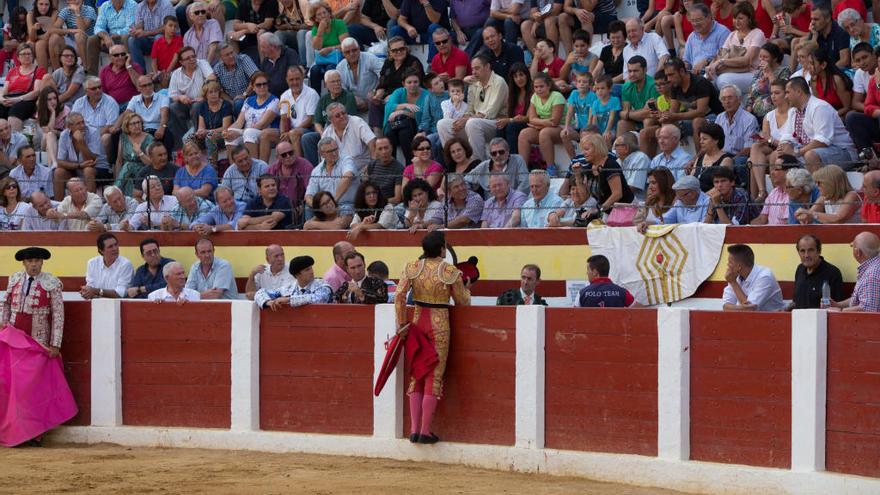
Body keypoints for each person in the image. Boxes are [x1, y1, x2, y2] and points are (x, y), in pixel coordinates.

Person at [395, 230, 470, 444]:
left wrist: (402, 324)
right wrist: (466, 289)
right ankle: (425, 431)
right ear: (441, 249)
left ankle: (414, 430)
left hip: (418, 323)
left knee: (418, 373)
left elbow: (399, 296)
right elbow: (463, 301)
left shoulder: (412, 268)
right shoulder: (449, 271)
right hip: (439, 324)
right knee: (433, 375)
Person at [0, 246, 71, 447]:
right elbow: (5, 305)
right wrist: (3, 327)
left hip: (38, 342)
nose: (34, 264)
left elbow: (58, 315)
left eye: (37, 261)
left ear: (42, 263)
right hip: (14, 341)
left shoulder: (52, 283)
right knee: (13, 388)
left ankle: (34, 433)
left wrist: (55, 344)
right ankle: (14, 429)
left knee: (32, 390)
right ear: (24, 263)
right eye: (30, 261)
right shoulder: (14, 280)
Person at [437, 53, 509, 162]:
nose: (474, 72)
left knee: (472, 123)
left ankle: (477, 164)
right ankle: (454, 163)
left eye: (477, 68)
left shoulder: (499, 82)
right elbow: (469, 109)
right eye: (472, 69)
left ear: (488, 67)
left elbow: (490, 113)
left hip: (496, 123)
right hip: (475, 122)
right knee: (443, 124)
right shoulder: (474, 83)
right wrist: (462, 119)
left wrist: (466, 119)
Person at [777, 78, 857, 172]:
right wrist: (784, 146)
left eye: (787, 92)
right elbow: (787, 136)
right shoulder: (793, 111)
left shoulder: (819, 107)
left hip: (843, 152)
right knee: (777, 157)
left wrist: (796, 152)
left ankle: (815, 187)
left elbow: (822, 141)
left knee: (810, 155)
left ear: (799, 92)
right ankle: (784, 187)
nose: (785, 97)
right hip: (811, 150)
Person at [747, 80, 790, 200]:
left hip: (788, 150)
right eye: (771, 93)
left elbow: (790, 143)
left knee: (756, 159)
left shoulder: (794, 113)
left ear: (786, 94)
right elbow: (767, 141)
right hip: (773, 150)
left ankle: (769, 194)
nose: (773, 96)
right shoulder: (769, 116)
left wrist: (770, 140)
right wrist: (763, 140)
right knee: (755, 148)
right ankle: (761, 191)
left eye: (777, 93)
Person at [516, 72, 565, 174]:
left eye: (541, 86)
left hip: (563, 128)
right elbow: (531, 119)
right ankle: (523, 171)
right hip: (544, 127)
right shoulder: (534, 97)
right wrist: (543, 122)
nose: (538, 89)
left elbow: (555, 122)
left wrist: (537, 123)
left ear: (549, 86)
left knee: (545, 133)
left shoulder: (557, 96)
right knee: (524, 134)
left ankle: (551, 168)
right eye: (536, 87)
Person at [168, 46, 215, 148]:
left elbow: (212, 79)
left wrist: (203, 96)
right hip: (187, 104)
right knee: (173, 107)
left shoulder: (202, 63)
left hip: (205, 102)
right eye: (188, 58)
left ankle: (199, 141)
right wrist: (181, 97)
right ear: (181, 62)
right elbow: (172, 95)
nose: (192, 59)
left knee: (197, 106)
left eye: (193, 56)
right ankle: (182, 144)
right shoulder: (176, 73)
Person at [384, 68, 429, 164]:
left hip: (417, 127)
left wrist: (401, 112)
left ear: (419, 82)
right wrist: (405, 105)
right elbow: (389, 106)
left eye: (415, 82)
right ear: (403, 84)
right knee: (390, 133)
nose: (413, 85)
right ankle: (391, 164)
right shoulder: (399, 92)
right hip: (397, 127)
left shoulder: (426, 95)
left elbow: (422, 116)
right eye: (409, 82)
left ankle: (410, 163)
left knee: (404, 133)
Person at [721, 243, 785, 311]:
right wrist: (743, 308)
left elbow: (750, 311)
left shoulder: (765, 277)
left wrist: (733, 283)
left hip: (774, 319)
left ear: (739, 267)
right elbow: (725, 306)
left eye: (730, 262)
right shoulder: (734, 276)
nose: (728, 265)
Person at [826, 232, 880, 312]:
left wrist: (840, 311)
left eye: (853, 247)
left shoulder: (871, 275)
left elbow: (867, 310)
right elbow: (859, 298)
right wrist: (838, 305)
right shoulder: (873, 267)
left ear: (858, 252)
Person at [254, 255, 333, 309]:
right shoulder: (288, 288)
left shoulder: (322, 285)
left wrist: (288, 300)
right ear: (297, 275)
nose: (312, 272)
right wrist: (268, 302)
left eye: (311, 268)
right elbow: (260, 292)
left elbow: (319, 299)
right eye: (307, 270)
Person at [790, 234, 844, 310]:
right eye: (802, 251)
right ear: (798, 252)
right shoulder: (800, 269)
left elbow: (838, 308)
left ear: (819, 251)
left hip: (822, 321)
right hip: (799, 320)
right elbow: (796, 301)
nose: (806, 255)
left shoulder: (832, 273)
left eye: (810, 250)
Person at [465, 137, 530, 199]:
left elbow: (525, 183)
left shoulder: (517, 160)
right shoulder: (484, 166)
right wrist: (474, 197)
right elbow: (465, 180)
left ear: (508, 151)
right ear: (490, 155)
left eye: (501, 152)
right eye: (494, 153)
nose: (498, 155)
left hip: (514, 203)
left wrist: (513, 200)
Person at [0, 43, 46, 131]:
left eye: (29, 54)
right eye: (23, 54)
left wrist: (18, 99)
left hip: (27, 99)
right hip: (10, 98)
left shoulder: (39, 70)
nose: (27, 56)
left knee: (14, 112)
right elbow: (4, 90)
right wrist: (1, 98)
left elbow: (36, 92)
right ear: (18, 57)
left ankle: (15, 142)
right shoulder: (12, 71)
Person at [795, 164, 862, 224]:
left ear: (831, 183)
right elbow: (808, 217)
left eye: (819, 182)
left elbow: (838, 219)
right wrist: (802, 216)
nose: (817, 185)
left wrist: (811, 214)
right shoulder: (823, 198)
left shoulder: (852, 195)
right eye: (816, 182)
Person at [278, 65, 319, 159]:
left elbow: (310, 119)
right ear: (287, 80)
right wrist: (283, 133)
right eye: (291, 80)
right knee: (266, 135)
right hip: (291, 130)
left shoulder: (311, 94)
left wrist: (291, 132)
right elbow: (283, 118)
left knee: (294, 133)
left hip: (309, 129)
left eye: (297, 79)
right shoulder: (284, 95)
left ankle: (299, 167)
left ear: (302, 78)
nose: (295, 82)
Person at [50, 0, 96, 83]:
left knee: (79, 35)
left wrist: (77, 13)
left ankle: (85, 69)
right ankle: (57, 72)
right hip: (71, 40)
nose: (76, 1)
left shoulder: (89, 10)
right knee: (54, 38)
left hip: (87, 41)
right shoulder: (65, 11)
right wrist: (70, 31)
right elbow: (53, 29)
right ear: (68, 1)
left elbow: (82, 29)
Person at [87, 0, 137, 76]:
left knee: (126, 37)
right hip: (110, 39)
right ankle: (91, 77)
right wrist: (105, 36)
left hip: (124, 37)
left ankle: (129, 73)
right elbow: (98, 27)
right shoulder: (105, 6)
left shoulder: (132, 4)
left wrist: (116, 34)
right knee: (92, 40)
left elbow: (130, 28)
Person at [80, 232, 134, 299]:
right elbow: (90, 287)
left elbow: (120, 293)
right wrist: (86, 292)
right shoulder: (92, 263)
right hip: (97, 303)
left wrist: (96, 291)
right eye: (110, 246)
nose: (115, 248)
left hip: (118, 306)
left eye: (116, 245)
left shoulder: (125, 264)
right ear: (101, 251)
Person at [191, 80, 231, 167]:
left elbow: (225, 127)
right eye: (211, 92)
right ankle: (195, 166)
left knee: (210, 137)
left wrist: (207, 131)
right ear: (206, 95)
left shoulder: (226, 105)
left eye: (216, 91)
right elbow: (201, 127)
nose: (214, 94)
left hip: (223, 135)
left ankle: (213, 168)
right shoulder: (203, 105)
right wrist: (200, 132)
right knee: (190, 138)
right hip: (208, 134)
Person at [127, 0, 176, 72]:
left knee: (158, 38)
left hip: (166, 39)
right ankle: (140, 74)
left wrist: (145, 33)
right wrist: (135, 31)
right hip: (148, 41)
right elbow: (139, 26)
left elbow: (166, 28)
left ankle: (161, 73)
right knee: (132, 40)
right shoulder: (140, 6)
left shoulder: (166, 5)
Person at [212, 43, 258, 116]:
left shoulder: (243, 59)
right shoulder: (218, 68)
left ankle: (238, 126)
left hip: (250, 96)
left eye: (232, 52)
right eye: (227, 55)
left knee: (238, 103)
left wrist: (244, 95)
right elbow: (218, 89)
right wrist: (230, 101)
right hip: (231, 100)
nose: (231, 56)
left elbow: (256, 77)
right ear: (220, 58)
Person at [682, 3, 730, 74]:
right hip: (695, 75)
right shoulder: (692, 36)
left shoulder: (723, 33)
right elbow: (686, 60)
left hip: (714, 74)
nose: (695, 24)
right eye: (693, 21)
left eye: (698, 20)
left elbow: (724, 57)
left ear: (709, 17)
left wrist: (706, 61)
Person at [114, 113, 154, 197]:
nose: (137, 126)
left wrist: (140, 153)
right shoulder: (123, 137)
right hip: (126, 173)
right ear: (127, 126)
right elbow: (119, 160)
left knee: (129, 165)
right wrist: (117, 177)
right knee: (128, 171)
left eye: (139, 122)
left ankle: (115, 190)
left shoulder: (149, 138)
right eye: (133, 124)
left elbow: (151, 163)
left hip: (143, 170)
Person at [230, 0, 278, 65]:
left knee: (261, 33)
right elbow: (235, 25)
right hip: (249, 35)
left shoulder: (271, 2)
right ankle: (237, 65)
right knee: (230, 35)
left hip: (267, 33)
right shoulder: (243, 3)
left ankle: (263, 66)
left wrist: (245, 31)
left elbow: (267, 24)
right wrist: (247, 25)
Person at [751, 157, 796, 225]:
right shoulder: (774, 192)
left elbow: (786, 224)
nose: (772, 173)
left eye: (776, 169)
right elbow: (762, 219)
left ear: (788, 172)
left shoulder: (794, 193)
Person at [364, 137, 404, 205]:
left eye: (386, 148)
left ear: (391, 148)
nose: (384, 152)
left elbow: (397, 198)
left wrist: (378, 202)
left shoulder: (399, 169)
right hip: (371, 204)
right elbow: (365, 188)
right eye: (380, 149)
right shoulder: (372, 165)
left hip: (388, 205)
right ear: (376, 151)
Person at [36, 87, 69, 170]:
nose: (53, 101)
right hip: (45, 140)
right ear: (44, 101)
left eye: (55, 98)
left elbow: (66, 133)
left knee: (50, 139)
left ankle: (52, 168)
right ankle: (54, 162)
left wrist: (54, 131)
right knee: (49, 135)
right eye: (49, 99)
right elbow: (47, 130)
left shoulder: (65, 110)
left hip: (61, 139)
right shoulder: (40, 112)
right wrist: (53, 113)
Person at [614, 132, 650, 201]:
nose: (614, 149)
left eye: (616, 145)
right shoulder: (618, 161)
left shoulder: (641, 158)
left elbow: (633, 187)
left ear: (626, 148)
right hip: (620, 202)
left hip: (637, 204)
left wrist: (614, 192)